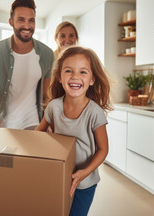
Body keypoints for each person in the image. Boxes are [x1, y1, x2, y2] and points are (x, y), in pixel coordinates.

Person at [35, 46, 113, 216]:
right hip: (58, 176)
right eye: (68, 71)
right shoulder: (54, 107)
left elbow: (103, 149)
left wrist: (85, 173)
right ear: (60, 78)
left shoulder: (94, 112)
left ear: (92, 79)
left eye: (83, 72)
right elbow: (37, 135)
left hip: (85, 182)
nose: (75, 76)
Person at [0, 0, 54, 130]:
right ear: (11, 22)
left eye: (31, 20)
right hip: (4, 123)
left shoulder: (47, 54)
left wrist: (49, 122)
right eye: (21, 20)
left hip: (34, 122)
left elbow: (46, 95)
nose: (27, 26)